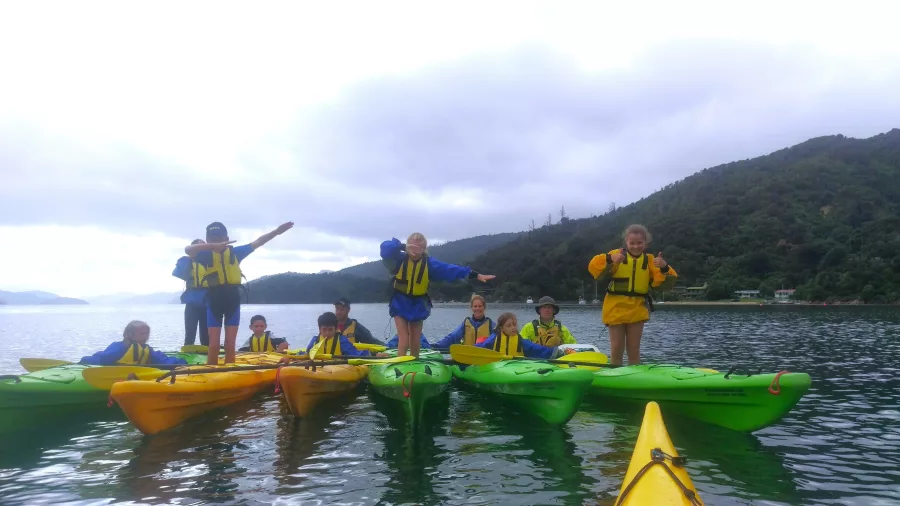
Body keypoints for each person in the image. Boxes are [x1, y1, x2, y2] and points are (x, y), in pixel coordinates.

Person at [185, 220, 294, 365]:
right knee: (213, 345)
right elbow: (188, 249)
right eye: (211, 239)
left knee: (230, 345)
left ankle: (229, 371)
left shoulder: (235, 253)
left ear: (226, 238)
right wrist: (212, 246)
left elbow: (259, 241)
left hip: (232, 301)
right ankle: (211, 371)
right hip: (214, 300)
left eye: (218, 239)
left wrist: (276, 231)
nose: (216, 242)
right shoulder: (205, 255)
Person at [380, 233, 495, 358]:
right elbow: (385, 249)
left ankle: (414, 360)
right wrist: (402, 246)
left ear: (424, 249)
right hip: (400, 301)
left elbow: (450, 269)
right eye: (412, 247)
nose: (415, 250)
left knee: (415, 338)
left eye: (419, 248)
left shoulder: (429, 264)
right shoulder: (399, 259)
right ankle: (401, 361)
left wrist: (476, 275)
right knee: (404, 337)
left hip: (418, 303)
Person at [588, 224, 677, 365]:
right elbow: (594, 268)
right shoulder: (617, 254)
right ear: (626, 243)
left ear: (646, 243)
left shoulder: (650, 261)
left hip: (637, 308)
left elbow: (665, 283)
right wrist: (611, 259)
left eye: (640, 243)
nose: (636, 246)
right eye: (632, 243)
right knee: (617, 347)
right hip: (615, 307)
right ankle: (615, 373)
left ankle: (633, 375)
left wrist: (664, 266)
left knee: (634, 348)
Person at [80, 320, 189, 366]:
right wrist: (85, 360)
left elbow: (164, 360)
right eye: (142, 334)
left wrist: (181, 363)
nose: (146, 337)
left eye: (147, 334)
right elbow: (102, 358)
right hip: (116, 375)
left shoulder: (147, 349)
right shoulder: (119, 347)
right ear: (129, 335)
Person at [475, 312, 575, 359]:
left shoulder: (520, 340)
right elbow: (482, 347)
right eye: (509, 326)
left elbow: (536, 349)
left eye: (514, 324)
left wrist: (556, 352)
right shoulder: (494, 338)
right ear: (501, 328)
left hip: (515, 367)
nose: (513, 328)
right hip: (496, 367)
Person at [172, 239, 210, 346]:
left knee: (206, 335)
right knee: (189, 335)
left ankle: (208, 358)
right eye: (198, 247)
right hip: (192, 302)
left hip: (208, 301)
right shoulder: (187, 262)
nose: (201, 249)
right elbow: (177, 273)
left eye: (203, 247)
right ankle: (186, 359)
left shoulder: (211, 261)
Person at [304, 312, 373, 357]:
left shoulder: (341, 341)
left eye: (330, 329)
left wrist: (371, 354)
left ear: (336, 329)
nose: (327, 333)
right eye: (324, 329)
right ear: (319, 329)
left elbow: (355, 354)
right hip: (318, 369)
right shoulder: (315, 340)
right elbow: (306, 354)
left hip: (337, 369)